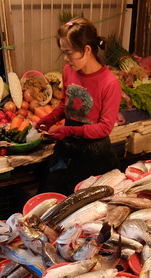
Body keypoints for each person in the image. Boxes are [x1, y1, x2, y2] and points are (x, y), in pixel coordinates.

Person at [36, 18, 121, 195]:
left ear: (87, 50)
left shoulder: (109, 83)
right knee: (53, 198)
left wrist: (70, 131)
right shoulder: (69, 71)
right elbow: (65, 105)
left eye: (69, 53)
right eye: (63, 53)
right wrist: (52, 117)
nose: (66, 59)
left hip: (95, 155)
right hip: (67, 150)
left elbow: (105, 128)